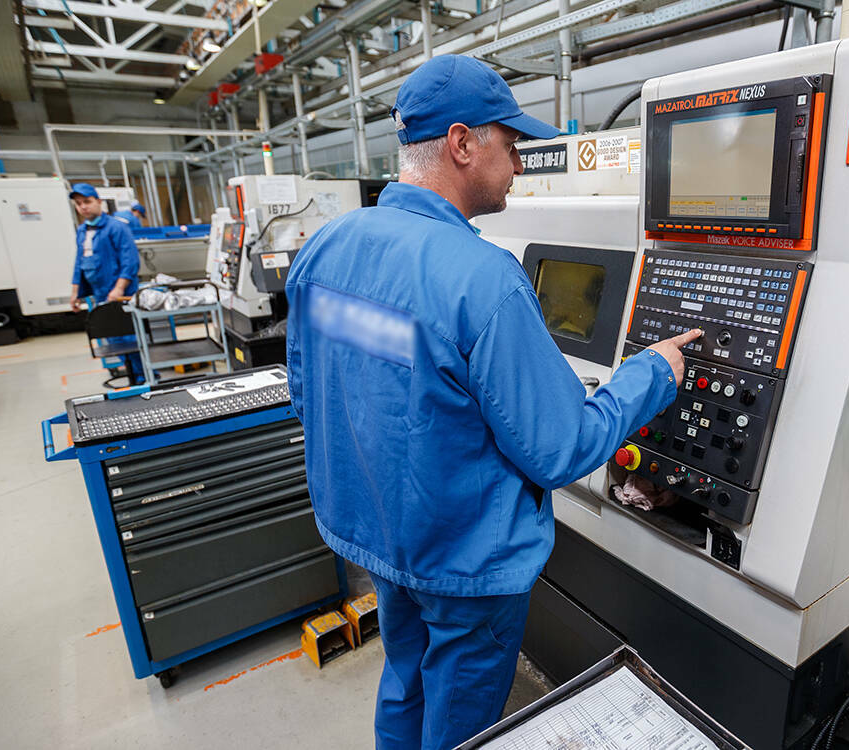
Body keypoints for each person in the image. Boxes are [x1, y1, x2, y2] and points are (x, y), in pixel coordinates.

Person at [285, 55, 702, 749]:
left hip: (379, 533)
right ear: (461, 144)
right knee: (460, 720)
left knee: (406, 680)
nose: (519, 164)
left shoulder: (327, 247)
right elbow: (561, 449)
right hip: (465, 563)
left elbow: (311, 392)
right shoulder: (484, 280)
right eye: (510, 146)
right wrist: (652, 373)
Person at [68, 183, 143, 382]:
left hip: (121, 294)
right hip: (100, 293)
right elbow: (79, 263)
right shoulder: (82, 231)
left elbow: (130, 261)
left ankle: (144, 377)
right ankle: (135, 376)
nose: (83, 207)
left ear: (99, 202)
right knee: (113, 338)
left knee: (130, 338)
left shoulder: (117, 228)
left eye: (87, 201)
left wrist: (119, 289)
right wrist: (75, 292)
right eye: (78, 204)